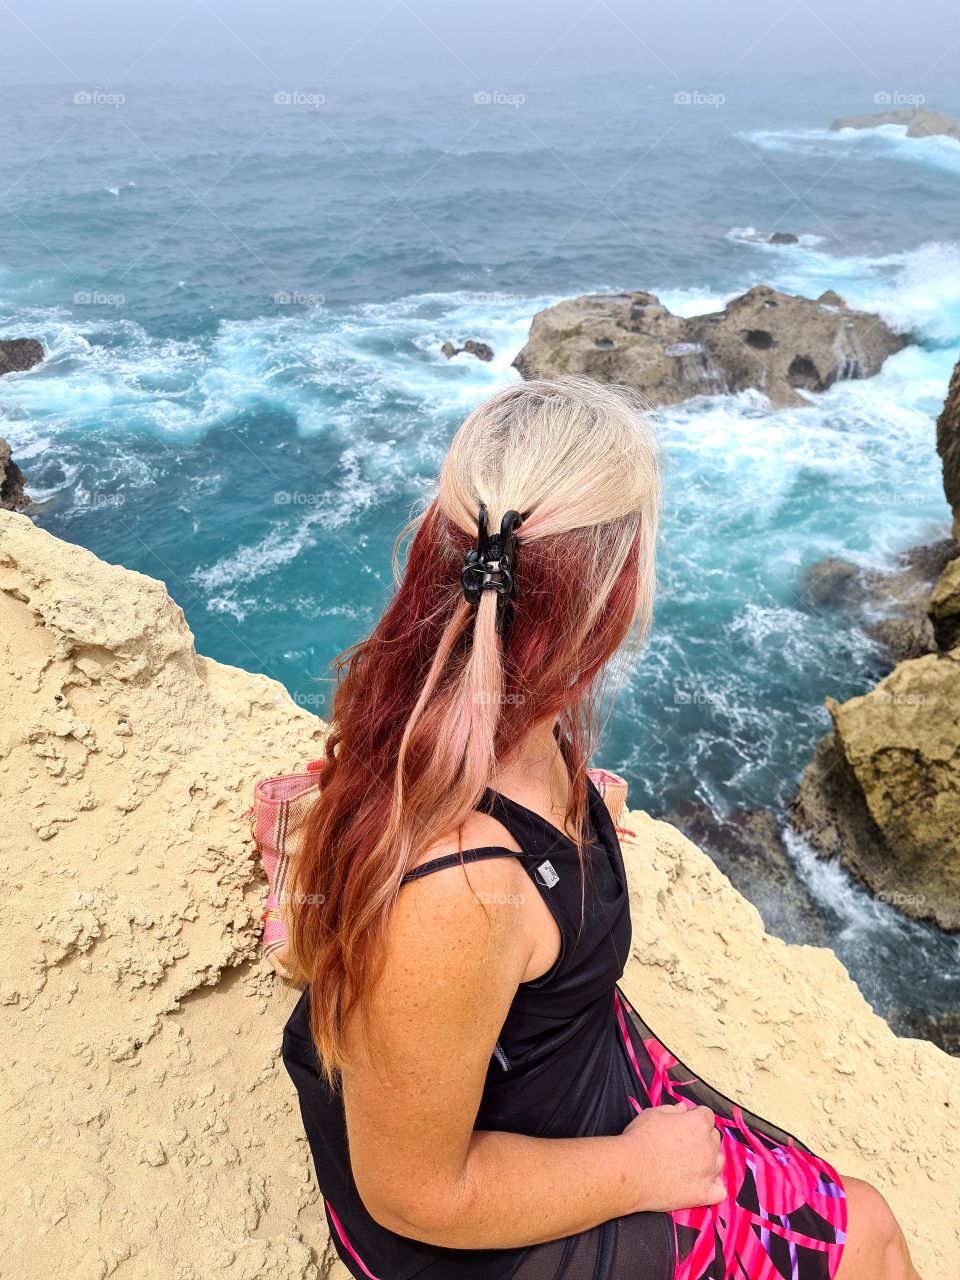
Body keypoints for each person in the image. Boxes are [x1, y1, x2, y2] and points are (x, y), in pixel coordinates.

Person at [281, 376, 921, 1280]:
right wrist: (634, 1169)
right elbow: (414, 1193)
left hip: (560, 1078)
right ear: (613, 590)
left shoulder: (449, 717)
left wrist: (576, 826)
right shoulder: (462, 886)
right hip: (484, 1220)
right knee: (869, 1233)